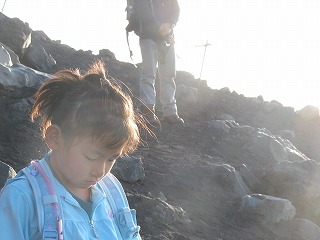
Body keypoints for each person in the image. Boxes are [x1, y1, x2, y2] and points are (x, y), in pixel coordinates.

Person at [0, 61, 144, 239]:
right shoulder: (22, 198)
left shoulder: (112, 190)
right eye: (91, 157)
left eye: (111, 159)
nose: (101, 171)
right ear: (55, 138)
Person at [134, 0, 184, 125]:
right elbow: (142, 10)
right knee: (150, 74)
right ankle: (148, 111)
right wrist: (163, 29)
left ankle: (169, 112)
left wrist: (170, 25)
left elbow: (175, 9)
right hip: (149, 36)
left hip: (166, 38)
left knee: (167, 75)